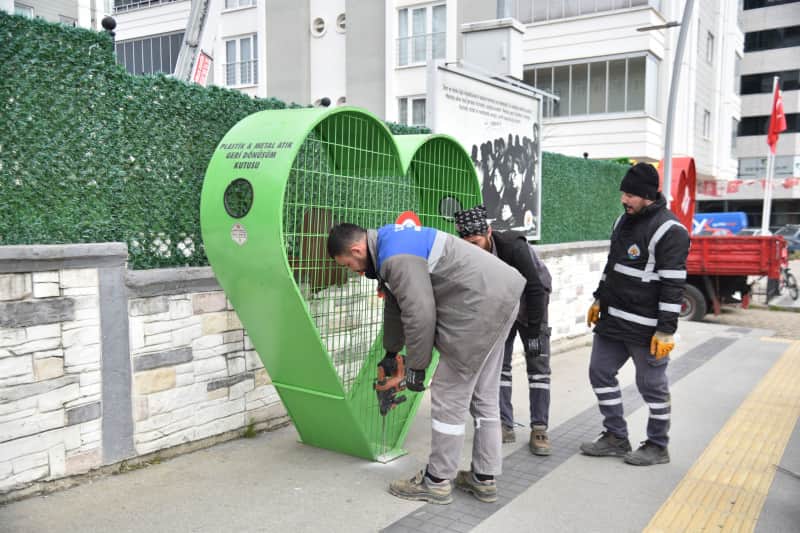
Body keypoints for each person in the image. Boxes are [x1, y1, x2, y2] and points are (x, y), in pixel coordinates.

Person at [327, 221, 525, 504]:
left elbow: (419, 313)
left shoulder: (394, 258)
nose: (353, 270)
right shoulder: (390, 241)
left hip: (478, 308)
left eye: (349, 264)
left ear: (357, 249)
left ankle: (437, 480)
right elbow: (398, 303)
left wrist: (417, 369)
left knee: (448, 393)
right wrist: (391, 352)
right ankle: (484, 477)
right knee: (484, 393)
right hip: (502, 296)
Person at [582, 162, 690, 466]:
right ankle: (615, 436)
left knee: (651, 386)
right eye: (623, 193)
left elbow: (673, 286)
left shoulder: (671, 231)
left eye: (630, 195)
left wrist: (666, 330)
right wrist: (598, 298)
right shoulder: (622, 221)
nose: (624, 200)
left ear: (647, 195)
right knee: (600, 372)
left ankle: (658, 445)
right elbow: (612, 265)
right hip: (614, 321)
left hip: (647, 329)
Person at [453, 205, 553, 456]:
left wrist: (534, 331)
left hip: (533, 303)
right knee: (500, 365)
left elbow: (535, 287)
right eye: (467, 244)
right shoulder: (467, 253)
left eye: (476, 242)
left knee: (538, 365)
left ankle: (539, 428)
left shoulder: (513, 246)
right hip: (502, 305)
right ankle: (504, 423)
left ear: (488, 232)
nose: (472, 249)